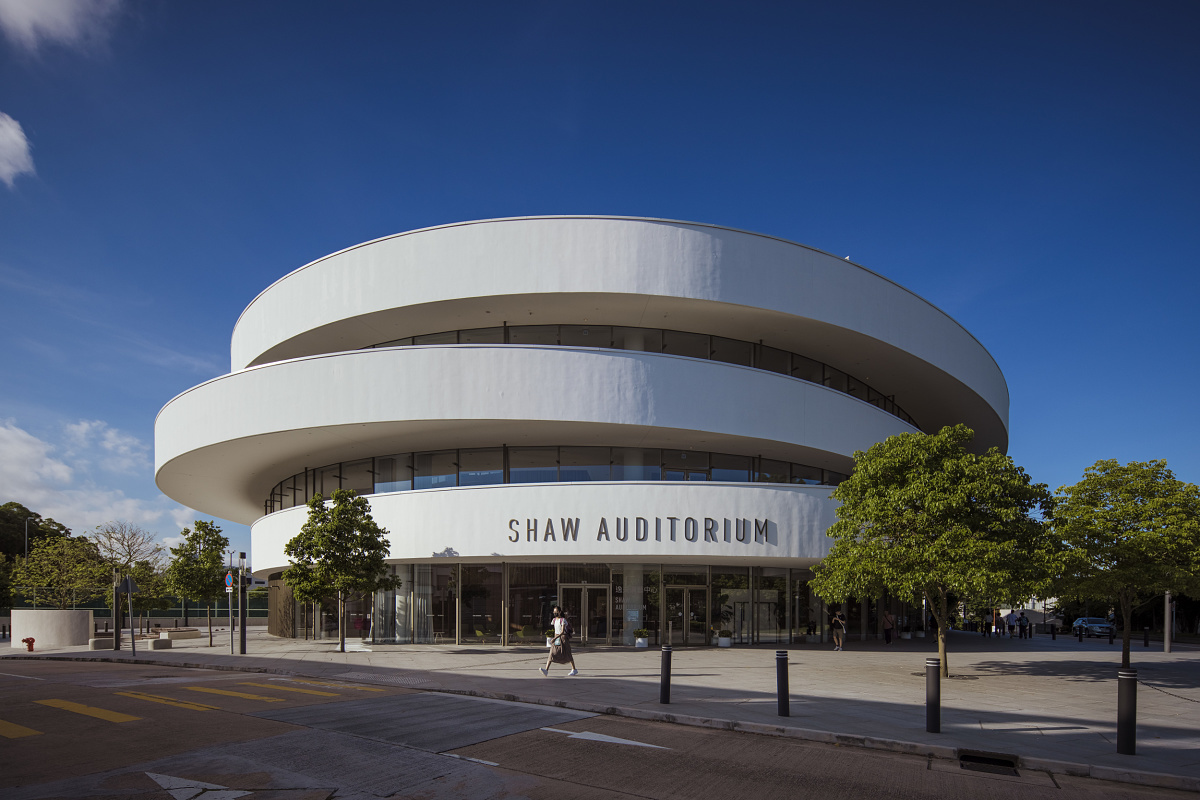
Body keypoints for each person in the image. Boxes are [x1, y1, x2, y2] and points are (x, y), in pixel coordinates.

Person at [540, 606, 577, 676]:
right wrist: (554, 637)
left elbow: (562, 631)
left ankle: (574, 669)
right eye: (554, 612)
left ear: (559, 612)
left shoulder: (562, 620)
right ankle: (546, 670)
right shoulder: (554, 620)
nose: (555, 613)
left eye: (556, 612)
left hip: (563, 638)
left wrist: (555, 638)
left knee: (567, 653)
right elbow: (555, 631)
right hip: (556, 638)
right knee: (552, 653)